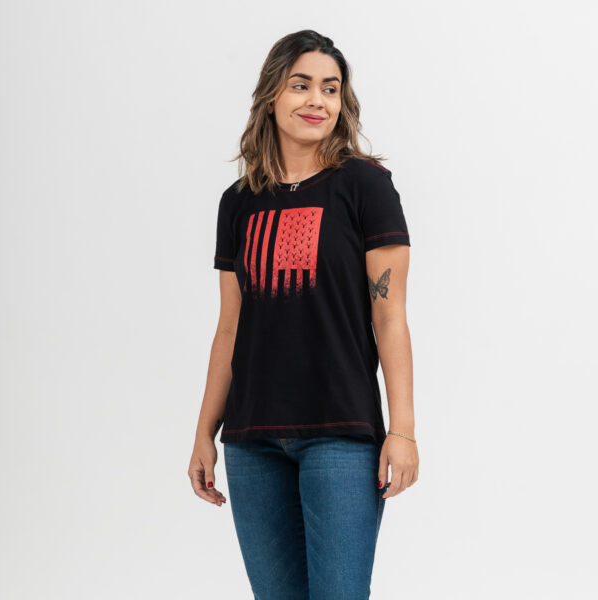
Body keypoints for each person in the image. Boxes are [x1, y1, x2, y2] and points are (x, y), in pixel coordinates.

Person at [188, 29, 419, 600]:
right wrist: (204, 432)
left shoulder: (365, 187)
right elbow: (230, 327)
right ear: (272, 95)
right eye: (301, 85)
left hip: (340, 435)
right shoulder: (238, 202)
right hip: (251, 440)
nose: (317, 100)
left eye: (330, 88)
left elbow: (390, 318)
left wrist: (403, 431)